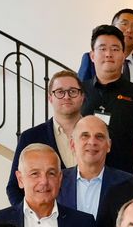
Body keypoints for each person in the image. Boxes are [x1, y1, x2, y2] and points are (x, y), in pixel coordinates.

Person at [81, 24, 133, 175]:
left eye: (115, 49)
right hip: (84, 176)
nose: (108, 54)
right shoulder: (79, 91)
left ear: (123, 55)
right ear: (92, 55)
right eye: (102, 48)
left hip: (126, 177)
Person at [6, 70, 83, 205]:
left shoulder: (99, 136)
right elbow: (14, 187)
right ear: (50, 98)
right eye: (59, 92)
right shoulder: (30, 137)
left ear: (82, 96)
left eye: (73, 91)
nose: (66, 97)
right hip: (46, 220)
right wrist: (30, 218)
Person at [57, 116, 132, 218]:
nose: (92, 142)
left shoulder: (128, 184)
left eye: (99, 136)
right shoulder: (57, 181)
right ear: (72, 144)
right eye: (85, 136)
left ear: (109, 145)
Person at [78, 10, 133, 96]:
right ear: (113, 27)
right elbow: (80, 93)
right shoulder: (91, 59)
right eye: (124, 24)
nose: (129, 30)